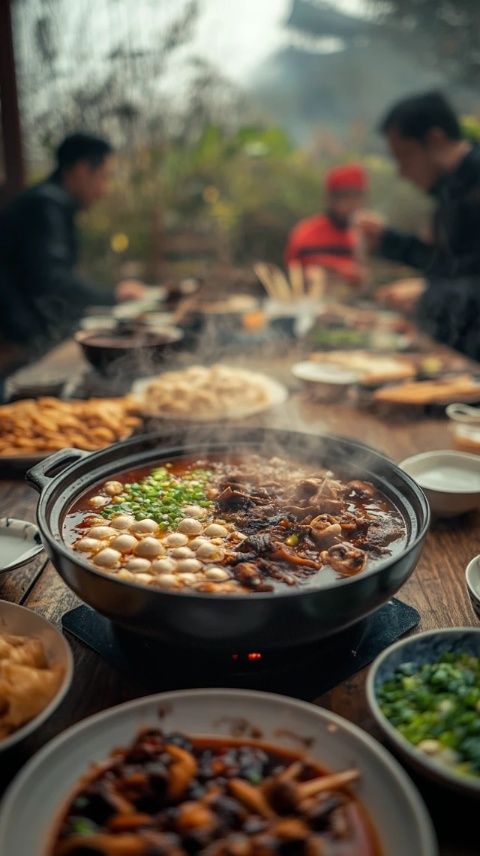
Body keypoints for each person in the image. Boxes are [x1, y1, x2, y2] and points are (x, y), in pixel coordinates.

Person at [0, 133, 147, 365]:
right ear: (80, 170)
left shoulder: (49, 202)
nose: (104, 190)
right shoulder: (44, 206)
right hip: (16, 341)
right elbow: (52, 281)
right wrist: (113, 295)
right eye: (103, 177)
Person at [356, 92, 480, 355]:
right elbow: (450, 266)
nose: (401, 172)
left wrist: (432, 294)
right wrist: (388, 241)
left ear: (435, 139)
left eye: (404, 156)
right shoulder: (450, 191)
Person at [285, 163, 368, 288]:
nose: (353, 204)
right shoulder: (307, 232)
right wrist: (337, 268)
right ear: (330, 199)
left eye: (357, 197)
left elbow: (362, 278)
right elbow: (295, 269)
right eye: (346, 196)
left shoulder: (359, 235)